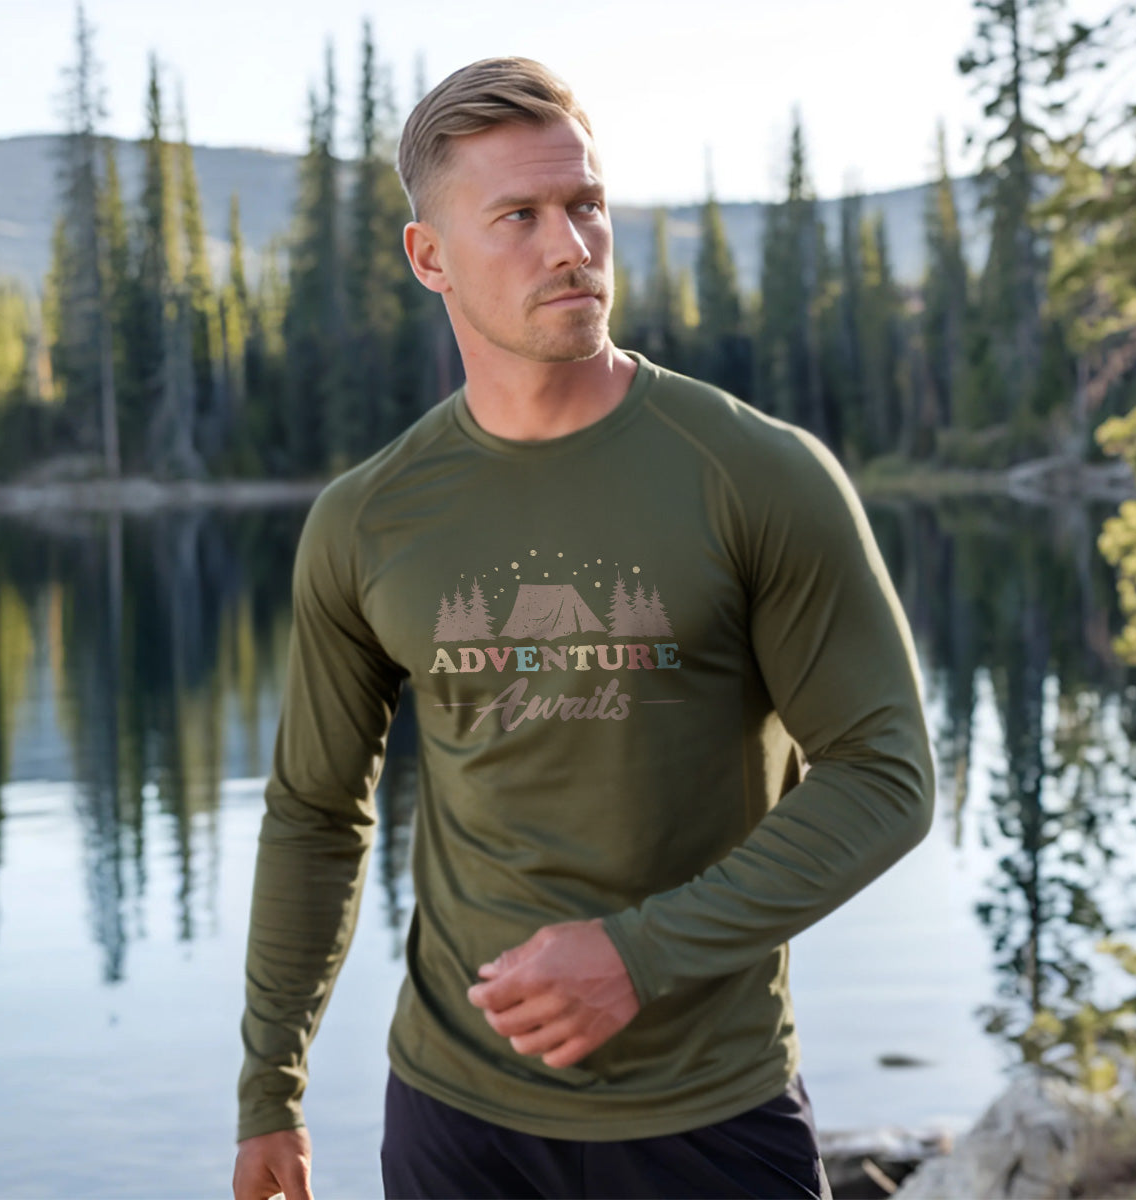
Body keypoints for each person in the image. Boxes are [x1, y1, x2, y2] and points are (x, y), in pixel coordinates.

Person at [232, 56, 934, 1200]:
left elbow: (886, 773)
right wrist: (271, 1088)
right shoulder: (367, 521)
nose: (571, 246)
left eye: (587, 205)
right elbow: (315, 815)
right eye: (519, 216)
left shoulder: (756, 475)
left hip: (710, 1117)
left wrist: (638, 956)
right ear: (430, 258)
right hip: (456, 1125)